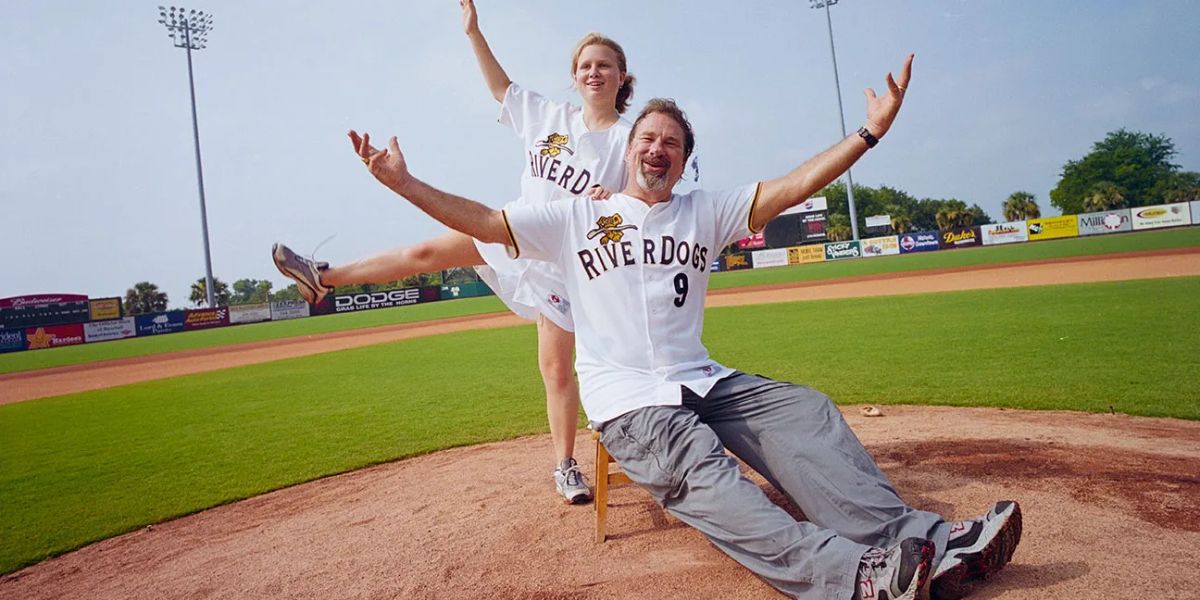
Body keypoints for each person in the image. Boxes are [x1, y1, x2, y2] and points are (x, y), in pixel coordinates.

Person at [350, 54, 1023, 600]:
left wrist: (868, 133)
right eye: (646, 138)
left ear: (683, 158)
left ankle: (927, 541)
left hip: (705, 381)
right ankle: (856, 579)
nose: (657, 148)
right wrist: (403, 183)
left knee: (804, 413)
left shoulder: (705, 212)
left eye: (671, 143)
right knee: (711, 482)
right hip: (631, 404)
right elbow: (484, 223)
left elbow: (792, 187)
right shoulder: (575, 218)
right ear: (628, 152)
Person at [273, 0, 638, 504]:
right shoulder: (549, 116)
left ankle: (565, 465)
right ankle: (323, 275)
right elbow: (498, 87)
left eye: (604, 65)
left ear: (622, 77)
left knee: (557, 369)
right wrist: (473, 32)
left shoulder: (630, 140)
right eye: (584, 65)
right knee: (425, 251)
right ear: (573, 78)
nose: (593, 71)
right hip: (512, 232)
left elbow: (644, 199)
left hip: (568, 266)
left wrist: (614, 201)